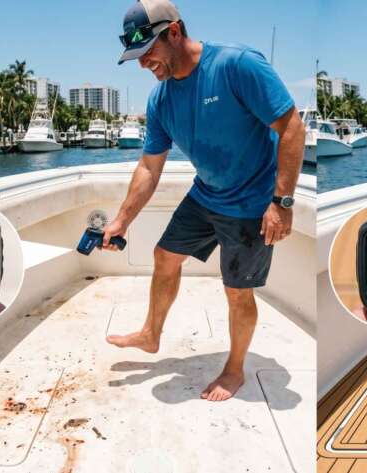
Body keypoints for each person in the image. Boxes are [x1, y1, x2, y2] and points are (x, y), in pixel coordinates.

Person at [104, 0, 305, 402]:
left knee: (236, 292)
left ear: (174, 32)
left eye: (149, 53)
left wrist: (281, 202)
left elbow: (292, 127)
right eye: (137, 58)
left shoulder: (237, 65)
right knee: (165, 256)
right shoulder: (160, 101)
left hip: (251, 202)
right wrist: (121, 220)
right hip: (207, 193)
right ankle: (151, 334)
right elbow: (149, 168)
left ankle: (234, 371)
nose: (145, 65)